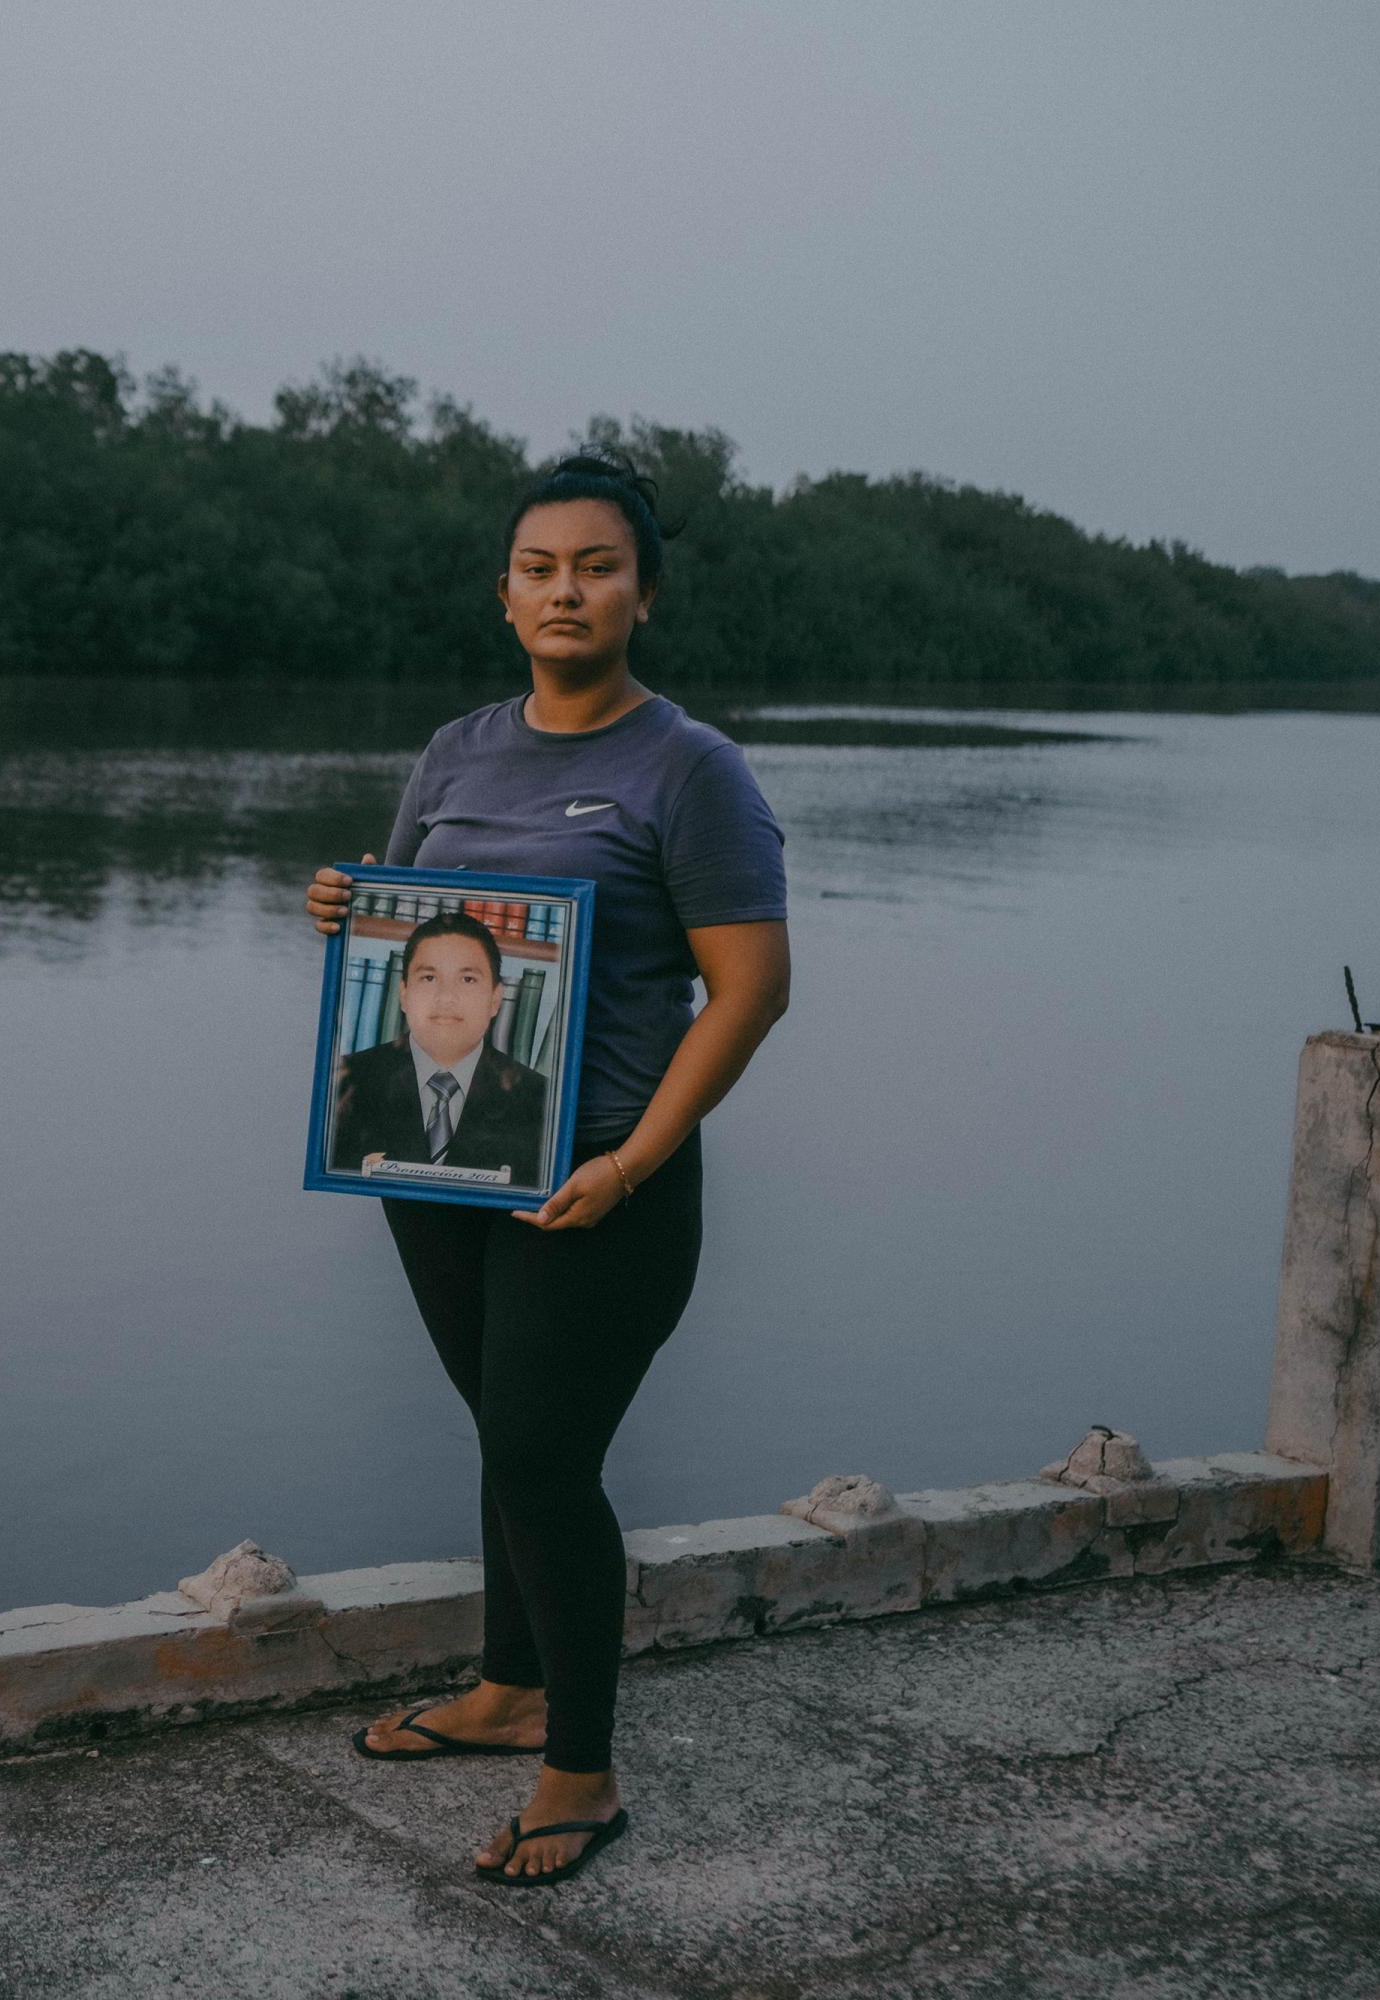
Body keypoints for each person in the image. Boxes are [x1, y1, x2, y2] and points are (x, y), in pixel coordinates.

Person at [305, 452, 790, 1887]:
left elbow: (751, 993)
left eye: (597, 565)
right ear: (505, 593)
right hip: (438, 1162)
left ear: (643, 594)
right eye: (540, 567)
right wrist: (343, 906)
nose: (566, 589)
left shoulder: (690, 770)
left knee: (538, 1449)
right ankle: (508, 1689)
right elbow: (410, 941)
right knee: (506, 1432)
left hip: (604, 1180)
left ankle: (581, 1770)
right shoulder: (457, 749)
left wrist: (637, 1160)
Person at [327, 909, 552, 1185]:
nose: (446, 998)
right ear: (404, 994)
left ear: (495, 999)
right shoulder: (347, 1081)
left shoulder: (540, 1098)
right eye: (429, 978)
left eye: (467, 979)